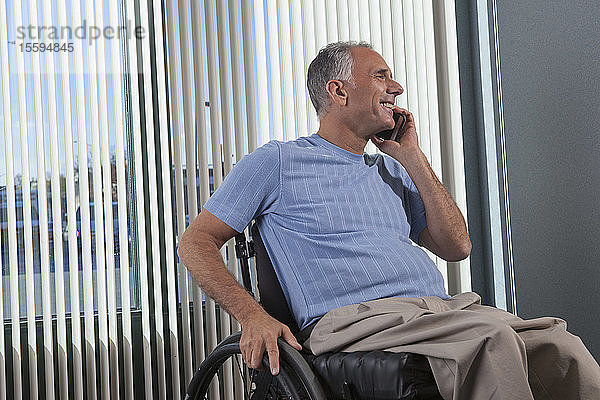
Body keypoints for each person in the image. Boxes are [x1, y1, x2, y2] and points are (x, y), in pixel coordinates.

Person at [178, 41, 600, 399]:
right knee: (492, 341)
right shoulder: (278, 163)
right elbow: (196, 243)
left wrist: (412, 157)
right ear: (338, 91)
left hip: (438, 313)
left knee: (560, 347)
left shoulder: (392, 169)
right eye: (381, 76)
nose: (396, 87)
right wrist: (252, 316)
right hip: (356, 321)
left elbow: (457, 247)